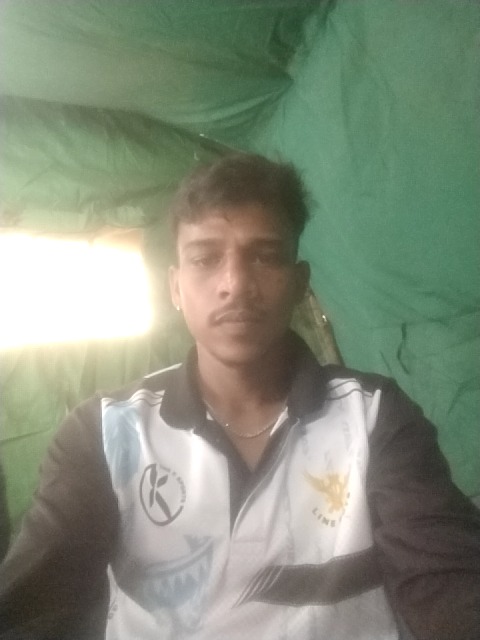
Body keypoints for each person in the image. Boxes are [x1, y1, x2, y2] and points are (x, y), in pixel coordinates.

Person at [0, 153, 479, 640]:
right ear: (176, 288)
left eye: (265, 256)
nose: (235, 284)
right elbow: (36, 604)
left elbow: (445, 576)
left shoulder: (373, 414)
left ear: (300, 284)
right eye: (205, 259)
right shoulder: (105, 431)